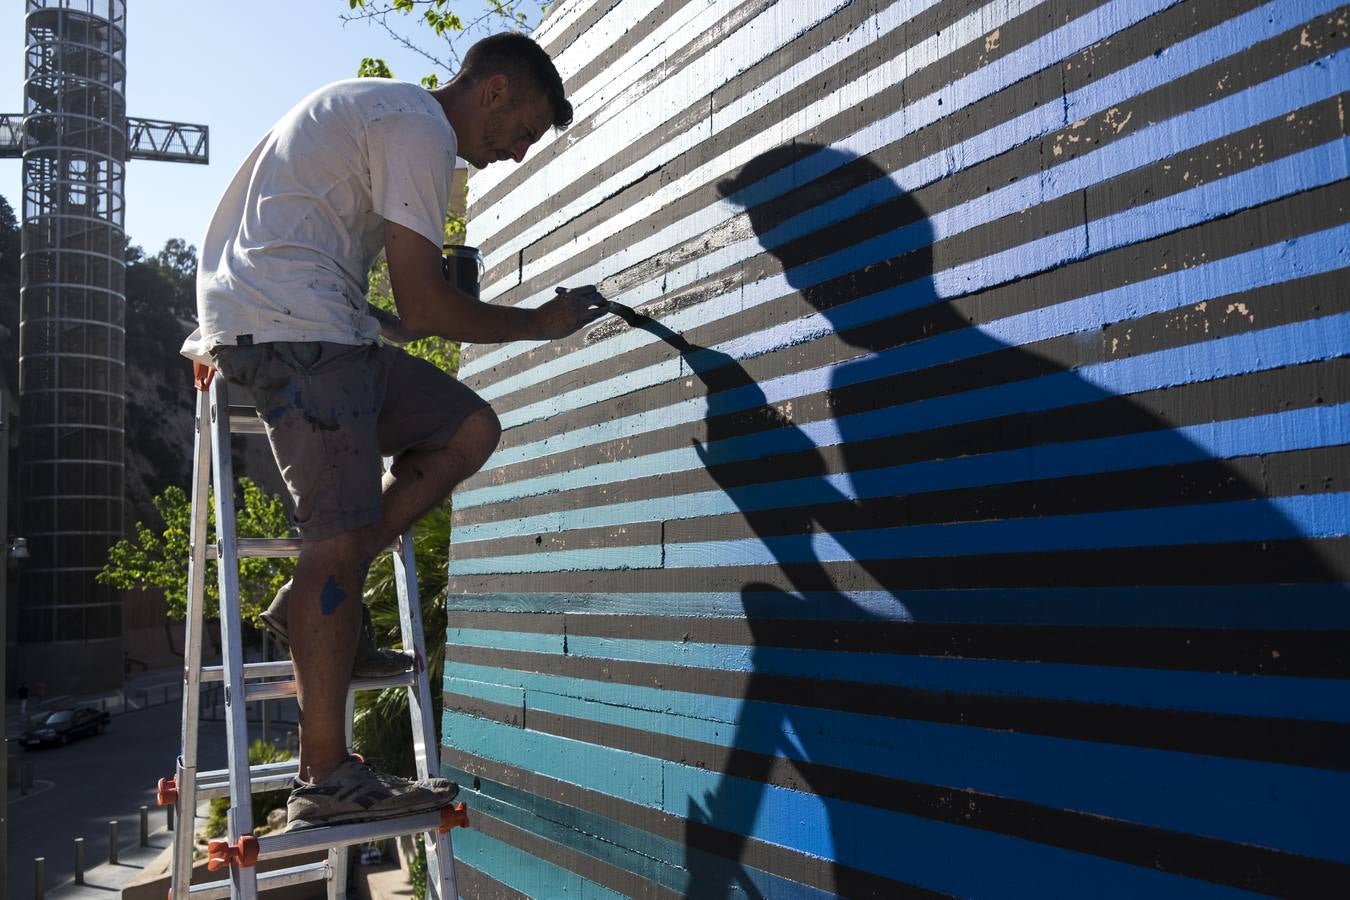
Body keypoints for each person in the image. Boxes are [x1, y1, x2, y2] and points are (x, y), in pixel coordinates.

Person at [180, 32, 610, 831]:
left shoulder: (377, 110)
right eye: (520, 131)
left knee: (469, 428)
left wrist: (384, 318)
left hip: (313, 322)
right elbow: (429, 307)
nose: (514, 154)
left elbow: (309, 239)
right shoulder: (419, 125)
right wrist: (542, 324)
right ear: (493, 91)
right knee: (335, 542)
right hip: (298, 335)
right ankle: (325, 777)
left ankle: (307, 603)